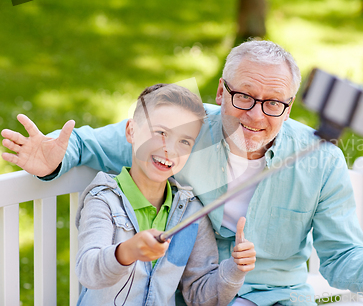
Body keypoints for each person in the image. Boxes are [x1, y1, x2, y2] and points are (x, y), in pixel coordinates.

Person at [1, 40, 363, 306]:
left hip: (280, 298)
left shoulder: (319, 157)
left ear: (290, 105)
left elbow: (339, 261)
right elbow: (92, 144)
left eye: (274, 103)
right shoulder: (184, 129)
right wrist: (53, 161)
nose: (257, 116)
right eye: (243, 97)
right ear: (221, 90)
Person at [74, 84, 256, 305]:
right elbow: (89, 270)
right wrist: (128, 251)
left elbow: (200, 296)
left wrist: (234, 270)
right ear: (131, 131)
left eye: (184, 141)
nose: (170, 148)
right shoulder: (104, 199)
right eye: (161, 133)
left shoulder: (191, 214)